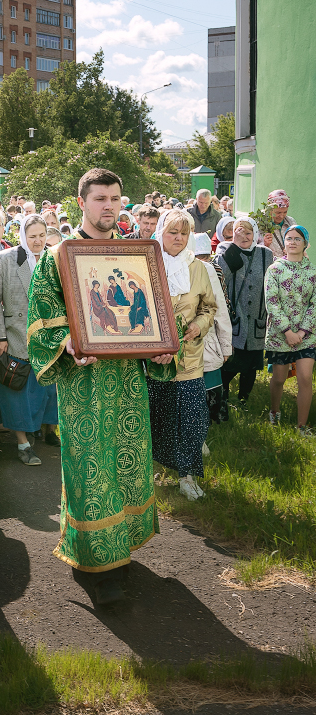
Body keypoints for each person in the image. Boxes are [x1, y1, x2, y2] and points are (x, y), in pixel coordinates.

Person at [27, 168, 176, 606]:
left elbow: (155, 311)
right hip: (84, 383)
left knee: (127, 461)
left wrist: (163, 346)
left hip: (128, 380)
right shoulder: (58, 256)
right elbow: (42, 321)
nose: (108, 205)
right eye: (99, 199)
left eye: (114, 198)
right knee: (91, 467)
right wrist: (67, 340)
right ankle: (99, 566)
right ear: (82, 203)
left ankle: (122, 547)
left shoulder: (136, 255)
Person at [146, 211, 217, 500]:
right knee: (156, 417)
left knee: (189, 419)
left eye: (184, 233)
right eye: (172, 232)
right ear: (161, 232)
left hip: (188, 358)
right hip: (152, 360)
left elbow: (208, 307)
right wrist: (155, 346)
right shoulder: (147, 264)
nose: (178, 238)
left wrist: (198, 325)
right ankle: (155, 469)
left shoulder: (197, 268)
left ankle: (187, 477)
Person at [0, 213, 58, 464]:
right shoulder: (6, 259)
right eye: (32, 236)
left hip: (47, 337)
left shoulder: (53, 258)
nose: (38, 241)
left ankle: (46, 430)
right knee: (17, 389)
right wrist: (0, 336)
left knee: (45, 389)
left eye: (42, 235)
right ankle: (22, 444)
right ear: (22, 236)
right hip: (16, 335)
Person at [215, 217, 272, 409]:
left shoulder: (266, 254)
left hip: (257, 318)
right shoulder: (225, 249)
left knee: (250, 365)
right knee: (229, 363)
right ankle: (222, 399)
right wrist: (235, 247)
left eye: (249, 233)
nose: (245, 237)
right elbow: (219, 275)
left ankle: (243, 401)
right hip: (234, 318)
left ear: (255, 234)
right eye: (240, 232)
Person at [265, 223, 316, 434]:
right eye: (289, 238)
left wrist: (302, 332)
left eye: (297, 239)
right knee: (279, 378)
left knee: (305, 378)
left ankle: (301, 426)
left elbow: (314, 304)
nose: (292, 242)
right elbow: (271, 301)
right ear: (284, 243)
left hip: (307, 334)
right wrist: (288, 332)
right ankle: (274, 412)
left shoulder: (312, 271)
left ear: (306, 244)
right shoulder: (275, 268)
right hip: (280, 334)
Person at [194, 232, 233, 424]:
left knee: (207, 394)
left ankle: (203, 434)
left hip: (206, 341)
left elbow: (220, 309)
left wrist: (225, 345)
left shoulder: (208, 270)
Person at [262, 188, 298, 258]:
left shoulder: (291, 222)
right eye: (278, 212)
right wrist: (264, 244)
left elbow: (301, 243)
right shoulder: (260, 223)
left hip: (289, 264)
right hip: (270, 266)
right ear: (269, 210)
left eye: (285, 212)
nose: (281, 216)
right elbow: (251, 249)